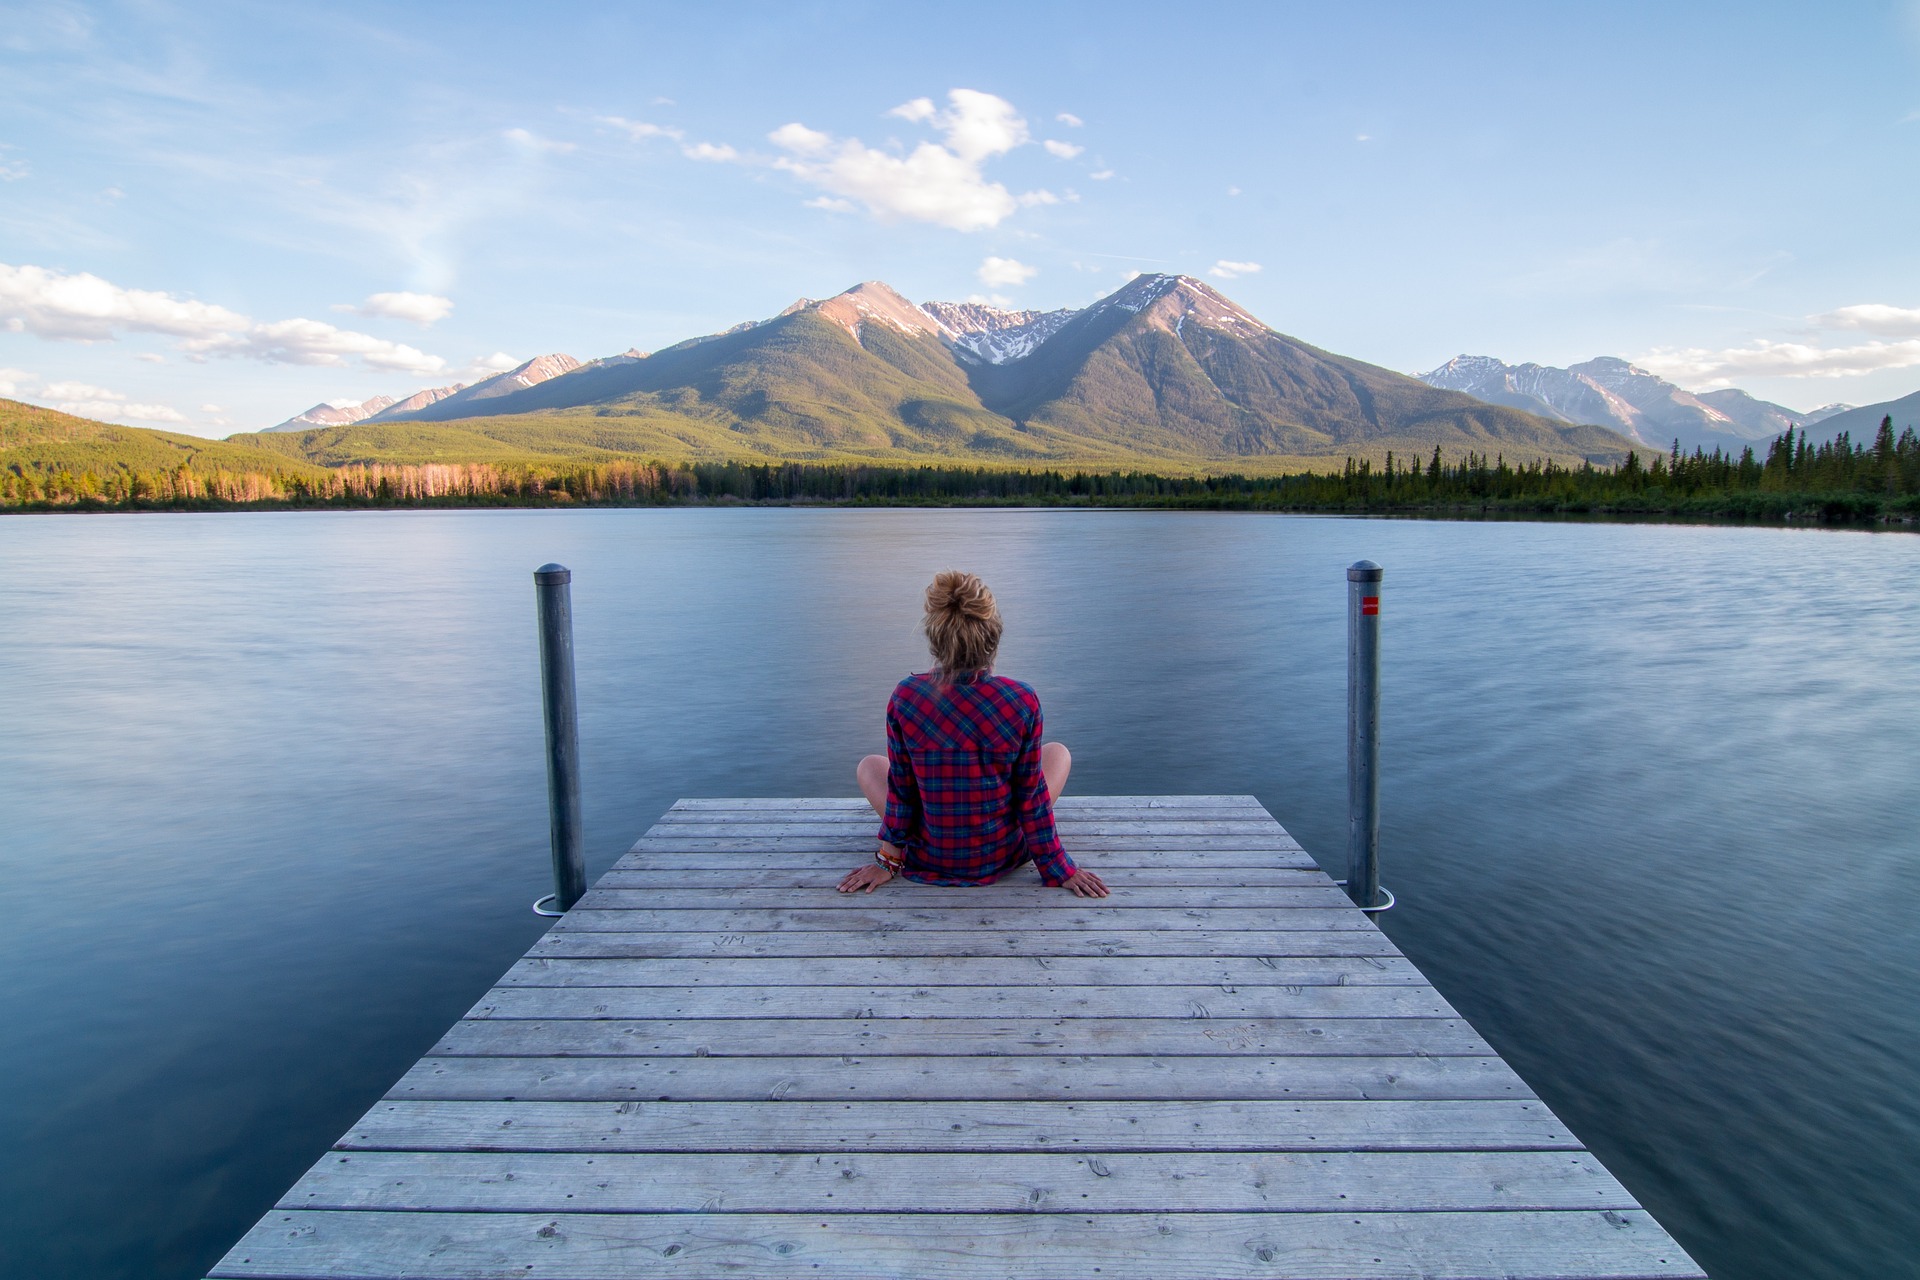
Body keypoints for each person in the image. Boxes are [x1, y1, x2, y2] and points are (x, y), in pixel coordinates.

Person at [838, 571, 1110, 898]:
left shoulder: (906, 697)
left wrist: (887, 861)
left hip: (929, 854)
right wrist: (1057, 867)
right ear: (993, 637)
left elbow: (902, 789)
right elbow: (1031, 796)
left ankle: (911, 848)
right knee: (1058, 754)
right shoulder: (1021, 700)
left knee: (870, 765)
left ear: (935, 640)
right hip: (1000, 855)